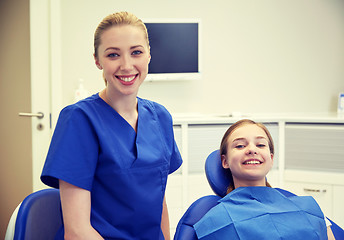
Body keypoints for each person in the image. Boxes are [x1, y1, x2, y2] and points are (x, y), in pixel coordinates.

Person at [41, 11, 182, 240]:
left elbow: (159, 205)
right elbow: (77, 231)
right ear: (97, 60)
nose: (126, 65)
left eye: (136, 52)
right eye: (113, 55)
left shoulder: (160, 117)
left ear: (148, 55)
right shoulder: (79, 120)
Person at [194, 119, 335, 240]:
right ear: (225, 161)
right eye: (240, 146)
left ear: (271, 158)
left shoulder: (308, 208)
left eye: (260, 145)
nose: (252, 150)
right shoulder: (215, 221)